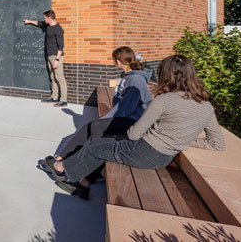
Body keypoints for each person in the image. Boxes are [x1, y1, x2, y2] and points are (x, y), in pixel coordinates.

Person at [45, 55, 225, 200]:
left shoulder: (165, 100)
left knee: (97, 145)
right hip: (165, 158)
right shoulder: (206, 105)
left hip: (144, 151)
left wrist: (163, 136)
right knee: (106, 144)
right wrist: (185, 140)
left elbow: (133, 134)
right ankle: (83, 185)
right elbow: (217, 143)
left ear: (167, 76)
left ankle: (62, 168)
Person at [40, 46, 152, 182]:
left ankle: (85, 171)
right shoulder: (128, 76)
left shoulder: (135, 79)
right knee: (90, 126)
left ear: (117, 61)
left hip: (134, 121)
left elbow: (125, 108)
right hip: (126, 117)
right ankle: (61, 158)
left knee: (97, 127)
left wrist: (106, 118)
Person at [24, 10, 67, 107]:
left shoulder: (58, 29)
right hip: (50, 56)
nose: (44, 19)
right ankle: (54, 97)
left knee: (60, 78)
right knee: (53, 77)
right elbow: (38, 23)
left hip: (56, 57)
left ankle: (64, 100)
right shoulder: (48, 26)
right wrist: (29, 21)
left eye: (45, 18)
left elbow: (61, 46)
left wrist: (57, 60)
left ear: (49, 18)